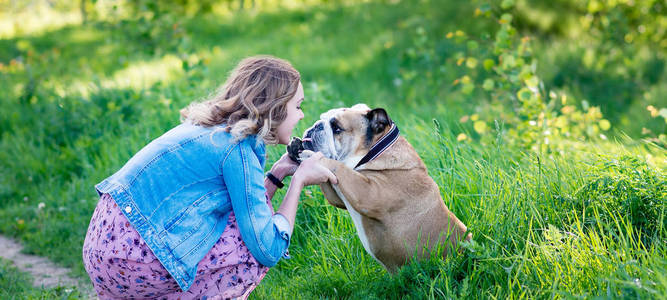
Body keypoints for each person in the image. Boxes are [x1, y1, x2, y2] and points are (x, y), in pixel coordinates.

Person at [82, 55, 337, 299]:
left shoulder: (210, 128)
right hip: (137, 261)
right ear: (275, 108)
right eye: (298, 106)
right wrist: (299, 181)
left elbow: (247, 209)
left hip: (106, 250)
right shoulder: (236, 149)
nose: (302, 115)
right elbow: (267, 247)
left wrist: (279, 172)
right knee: (253, 249)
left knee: (244, 225)